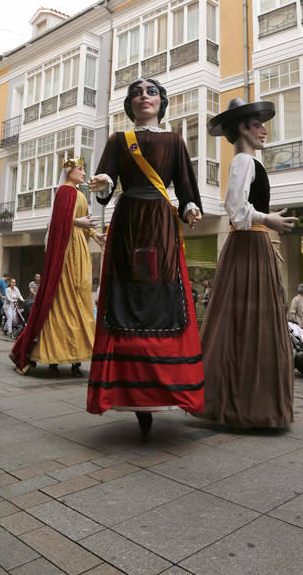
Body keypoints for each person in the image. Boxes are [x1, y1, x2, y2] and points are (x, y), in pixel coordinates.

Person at [87, 78, 204, 437]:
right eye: (137, 93)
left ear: (161, 102)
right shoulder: (118, 141)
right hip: (128, 222)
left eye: (151, 92)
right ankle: (131, 393)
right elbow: (104, 186)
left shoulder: (175, 141)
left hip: (161, 223)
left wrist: (190, 209)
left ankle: (165, 385)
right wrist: (104, 184)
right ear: (130, 104)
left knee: (163, 294)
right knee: (126, 294)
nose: (144, 96)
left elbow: (186, 187)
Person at [200, 97, 296, 429]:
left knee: (242, 325)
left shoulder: (249, 162)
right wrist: (268, 220)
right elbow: (237, 211)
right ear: (242, 127)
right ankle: (247, 405)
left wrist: (267, 229)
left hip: (253, 246)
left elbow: (242, 214)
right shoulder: (244, 161)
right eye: (257, 125)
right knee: (250, 326)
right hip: (249, 246)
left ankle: (242, 401)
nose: (264, 130)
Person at [11, 159, 104, 378]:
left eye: (83, 168)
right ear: (69, 171)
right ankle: (53, 356)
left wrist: (96, 235)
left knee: (80, 299)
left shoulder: (80, 195)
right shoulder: (64, 191)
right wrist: (78, 223)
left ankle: (75, 357)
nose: (83, 172)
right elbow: (59, 221)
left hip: (80, 249)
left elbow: (83, 222)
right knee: (62, 300)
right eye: (80, 168)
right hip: (66, 250)